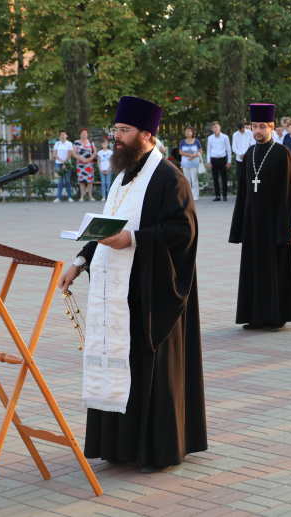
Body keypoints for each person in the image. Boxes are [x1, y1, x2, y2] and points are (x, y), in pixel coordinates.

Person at [57, 95, 207, 473]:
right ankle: (119, 446)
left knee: (145, 368)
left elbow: (183, 229)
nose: (117, 138)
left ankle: (155, 449)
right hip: (118, 291)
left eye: (124, 131)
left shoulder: (169, 176)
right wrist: (79, 261)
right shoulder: (123, 177)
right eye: (116, 131)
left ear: (146, 133)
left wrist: (136, 239)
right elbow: (106, 226)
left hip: (151, 291)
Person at [229, 103, 291, 332]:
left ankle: (277, 316)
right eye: (254, 126)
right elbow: (242, 193)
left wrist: (286, 227)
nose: (258, 130)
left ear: (271, 127)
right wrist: (239, 226)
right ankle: (255, 316)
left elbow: (290, 193)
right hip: (252, 223)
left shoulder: (282, 153)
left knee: (275, 268)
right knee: (253, 268)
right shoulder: (249, 153)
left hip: (274, 224)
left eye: (262, 126)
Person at [207, 121, 231, 202]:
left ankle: (224, 195)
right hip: (214, 158)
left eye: (216, 127)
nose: (215, 129)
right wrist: (208, 161)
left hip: (222, 158)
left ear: (219, 127)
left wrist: (229, 161)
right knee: (215, 177)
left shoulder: (225, 137)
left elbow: (228, 149)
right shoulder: (210, 138)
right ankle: (217, 195)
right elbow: (208, 150)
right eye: (213, 128)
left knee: (224, 177)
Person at [179, 126, 203, 201]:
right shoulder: (183, 142)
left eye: (189, 131)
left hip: (194, 164)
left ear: (192, 132)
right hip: (185, 164)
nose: (187, 133)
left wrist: (194, 156)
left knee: (194, 179)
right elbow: (181, 152)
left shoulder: (196, 141)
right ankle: (188, 195)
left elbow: (200, 151)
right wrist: (190, 155)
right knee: (187, 180)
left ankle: (195, 195)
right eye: (186, 131)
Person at [73, 128, 96, 201]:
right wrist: (82, 159)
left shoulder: (90, 142)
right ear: (80, 134)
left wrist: (91, 158)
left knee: (90, 180)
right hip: (81, 164)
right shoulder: (76, 142)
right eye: (83, 133)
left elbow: (95, 152)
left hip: (89, 163)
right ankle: (82, 196)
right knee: (81, 181)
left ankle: (90, 196)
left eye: (86, 133)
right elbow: (74, 153)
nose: (84, 134)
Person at [53, 130, 75, 203]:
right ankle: (58, 197)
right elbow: (54, 154)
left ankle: (69, 197)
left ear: (66, 135)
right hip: (58, 163)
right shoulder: (57, 143)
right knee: (60, 181)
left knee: (67, 180)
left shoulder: (69, 143)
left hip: (67, 163)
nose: (62, 136)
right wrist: (61, 161)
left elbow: (70, 153)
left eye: (63, 134)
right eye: (61, 134)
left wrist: (65, 163)